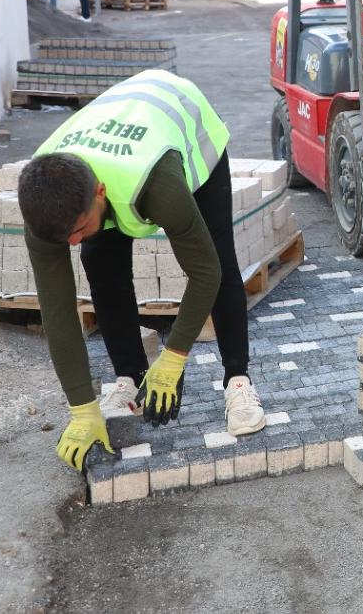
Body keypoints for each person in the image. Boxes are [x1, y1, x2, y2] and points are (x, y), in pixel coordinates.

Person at [16, 70, 267, 472]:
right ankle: (128, 378)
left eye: (79, 228)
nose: (73, 241)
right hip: (118, 132)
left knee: (217, 252)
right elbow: (58, 311)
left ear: (99, 192)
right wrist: (82, 408)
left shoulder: (158, 186)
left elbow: (206, 272)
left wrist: (173, 357)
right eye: (66, 238)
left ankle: (238, 381)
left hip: (184, 123)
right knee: (99, 261)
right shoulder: (45, 205)